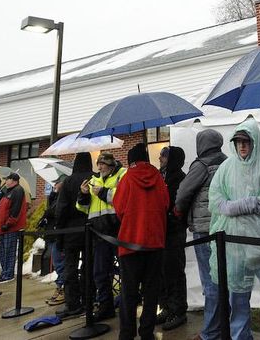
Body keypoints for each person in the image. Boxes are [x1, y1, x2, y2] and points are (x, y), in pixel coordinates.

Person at [209, 118, 260, 340]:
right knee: (237, 302)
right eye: (238, 141)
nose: (242, 145)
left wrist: (248, 204)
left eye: (246, 141)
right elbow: (217, 200)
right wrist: (241, 205)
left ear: (255, 141)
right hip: (236, 249)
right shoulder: (226, 168)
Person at [173, 128, 227, 340]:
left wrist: (178, 211)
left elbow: (183, 192)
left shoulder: (202, 164)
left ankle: (210, 333)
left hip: (205, 230)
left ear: (201, 144)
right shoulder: (228, 162)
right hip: (225, 228)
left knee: (210, 282)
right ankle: (225, 325)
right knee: (223, 280)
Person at [114, 143, 170, 340]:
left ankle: (126, 334)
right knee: (151, 292)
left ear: (131, 160)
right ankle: (146, 332)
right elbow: (165, 204)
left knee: (128, 294)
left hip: (130, 243)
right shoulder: (158, 177)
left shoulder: (127, 178)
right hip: (154, 243)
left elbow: (119, 207)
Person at [77, 151, 126, 321]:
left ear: (111, 165)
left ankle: (128, 302)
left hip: (118, 232)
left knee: (125, 271)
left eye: (103, 165)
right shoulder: (93, 180)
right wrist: (83, 194)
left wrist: (103, 192)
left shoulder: (122, 175)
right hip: (99, 234)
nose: (99, 168)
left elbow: (124, 198)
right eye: (98, 165)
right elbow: (83, 208)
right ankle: (106, 306)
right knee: (100, 272)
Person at [55, 152, 94, 320]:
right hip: (91, 229)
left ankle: (73, 304)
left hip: (70, 231)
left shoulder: (69, 181)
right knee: (88, 266)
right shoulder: (95, 178)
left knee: (70, 267)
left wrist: (59, 232)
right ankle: (89, 301)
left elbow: (61, 209)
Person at [159, 145, 189, 331]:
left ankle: (178, 310)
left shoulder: (179, 178)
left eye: (163, 156)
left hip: (174, 231)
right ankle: (166, 307)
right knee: (162, 271)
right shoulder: (160, 176)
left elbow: (180, 204)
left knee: (174, 271)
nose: (160, 158)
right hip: (161, 231)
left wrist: (172, 217)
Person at [0, 172, 28, 283]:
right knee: (3, 252)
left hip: (10, 228)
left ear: (13, 180)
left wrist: (9, 223)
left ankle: (8, 274)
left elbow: (15, 210)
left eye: (7, 179)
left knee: (9, 251)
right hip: (3, 228)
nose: (5, 181)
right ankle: (4, 272)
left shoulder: (18, 191)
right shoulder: (7, 191)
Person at [42, 177, 66, 306]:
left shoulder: (63, 198)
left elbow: (56, 213)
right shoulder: (54, 197)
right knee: (57, 264)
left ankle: (62, 290)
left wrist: (48, 212)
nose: (55, 185)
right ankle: (59, 288)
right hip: (52, 234)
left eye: (57, 183)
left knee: (60, 263)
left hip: (58, 235)